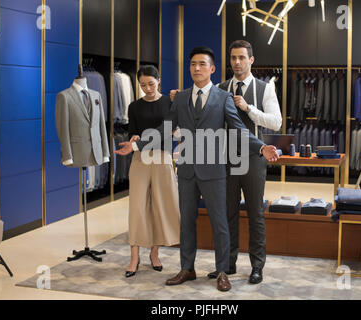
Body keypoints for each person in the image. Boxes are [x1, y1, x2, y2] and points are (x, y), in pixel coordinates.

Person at [117, 46, 279, 291]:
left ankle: (223, 271)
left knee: (220, 222)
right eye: (193, 64)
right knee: (187, 222)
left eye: (202, 64)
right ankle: (187, 269)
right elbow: (165, 130)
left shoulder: (223, 97)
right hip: (187, 169)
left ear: (212, 69)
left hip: (214, 170)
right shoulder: (180, 98)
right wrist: (137, 145)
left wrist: (260, 148)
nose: (197, 68)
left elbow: (237, 129)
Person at [207, 40, 282, 284]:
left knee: (255, 213)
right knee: (228, 213)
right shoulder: (219, 87)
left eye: (241, 57)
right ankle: (227, 265)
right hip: (226, 159)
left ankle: (257, 267)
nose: (237, 62)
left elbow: (276, 122)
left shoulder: (265, 88)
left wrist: (249, 108)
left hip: (253, 158)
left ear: (251, 60)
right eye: (233, 58)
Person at [114, 65, 180, 278]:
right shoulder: (134, 106)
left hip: (162, 157)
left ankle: (155, 253)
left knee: (161, 206)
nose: (147, 88)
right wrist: (133, 137)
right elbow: (133, 131)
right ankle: (134, 256)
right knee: (137, 207)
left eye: (151, 84)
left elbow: (170, 132)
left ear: (159, 81)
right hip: (140, 158)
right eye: (143, 85)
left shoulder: (170, 103)